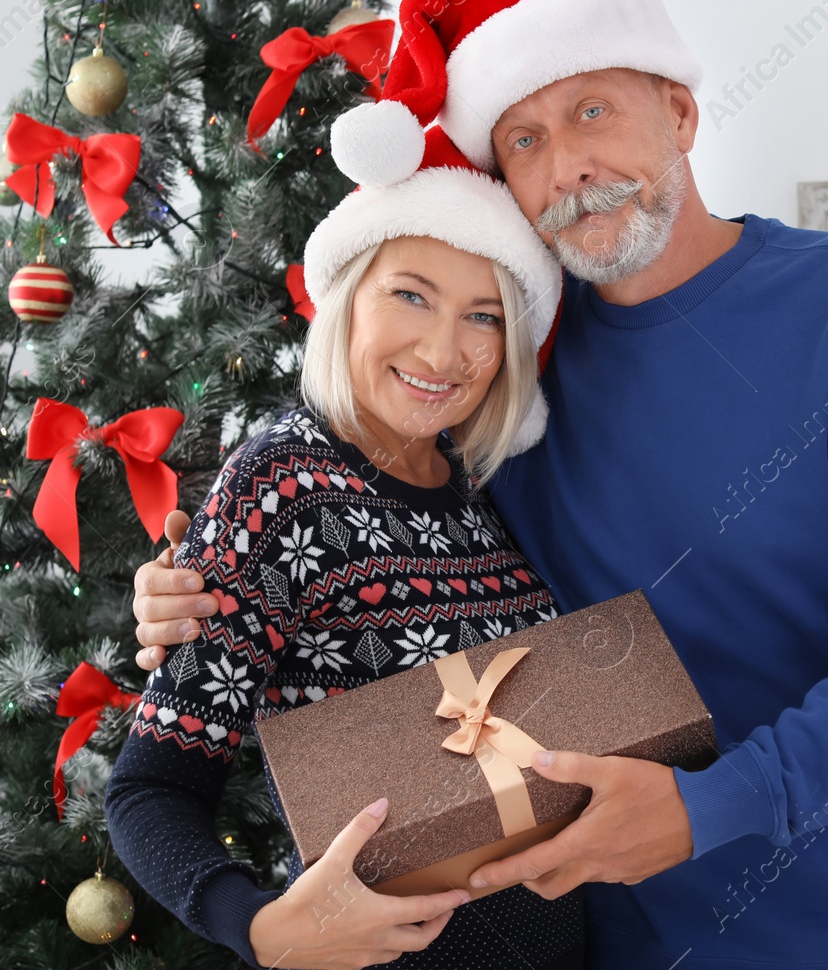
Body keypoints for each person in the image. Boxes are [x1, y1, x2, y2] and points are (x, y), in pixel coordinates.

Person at [130, 0, 828, 970]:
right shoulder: (505, 371)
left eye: (593, 111)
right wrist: (183, 593)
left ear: (678, 112)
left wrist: (713, 805)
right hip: (613, 935)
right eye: (525, 140)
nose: (570, 167)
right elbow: (345, 509)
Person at [106, 128, 580, 969]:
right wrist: (257, 928)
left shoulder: (473, 481)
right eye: (411, 295)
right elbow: (151, 788)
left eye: (484, 315)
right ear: (348, 295)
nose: (444, 351)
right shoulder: (281, 485)